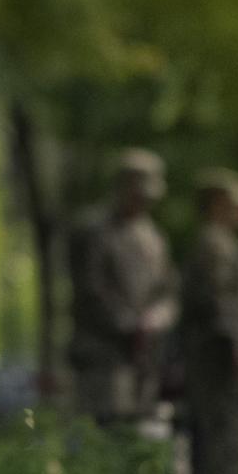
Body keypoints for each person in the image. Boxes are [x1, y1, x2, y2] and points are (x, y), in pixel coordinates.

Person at [67, 148, 179, 425]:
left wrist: (156, 320)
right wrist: (130, 325)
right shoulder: (93, 231)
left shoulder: (153, 237)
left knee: (140, 432)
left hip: (145, 357)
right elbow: (91, 289)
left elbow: (168, 292)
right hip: (103, 356)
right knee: (105, 430)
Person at [182, 168, 238, 474]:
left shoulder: (221, 243)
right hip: (220, 363)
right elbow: (219, 301)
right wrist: (237, 343)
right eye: (234, 203)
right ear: (216, 203)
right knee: (225, 441)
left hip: (221, 359)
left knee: (228, 440)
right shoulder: (215, 245)